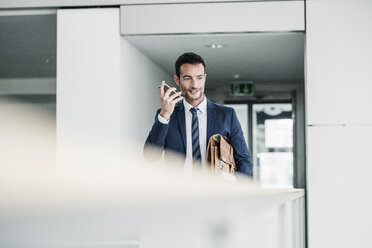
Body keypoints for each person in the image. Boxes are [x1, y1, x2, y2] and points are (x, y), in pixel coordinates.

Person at [144, 52, 252, 176]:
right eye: (187, 78)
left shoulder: (227, 115)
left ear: (205, 78)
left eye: (199, 78)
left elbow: (244, 160)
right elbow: (150, 156)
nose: (194, 85)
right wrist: (164, 116)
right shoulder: (167, 115)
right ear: (177, 80)